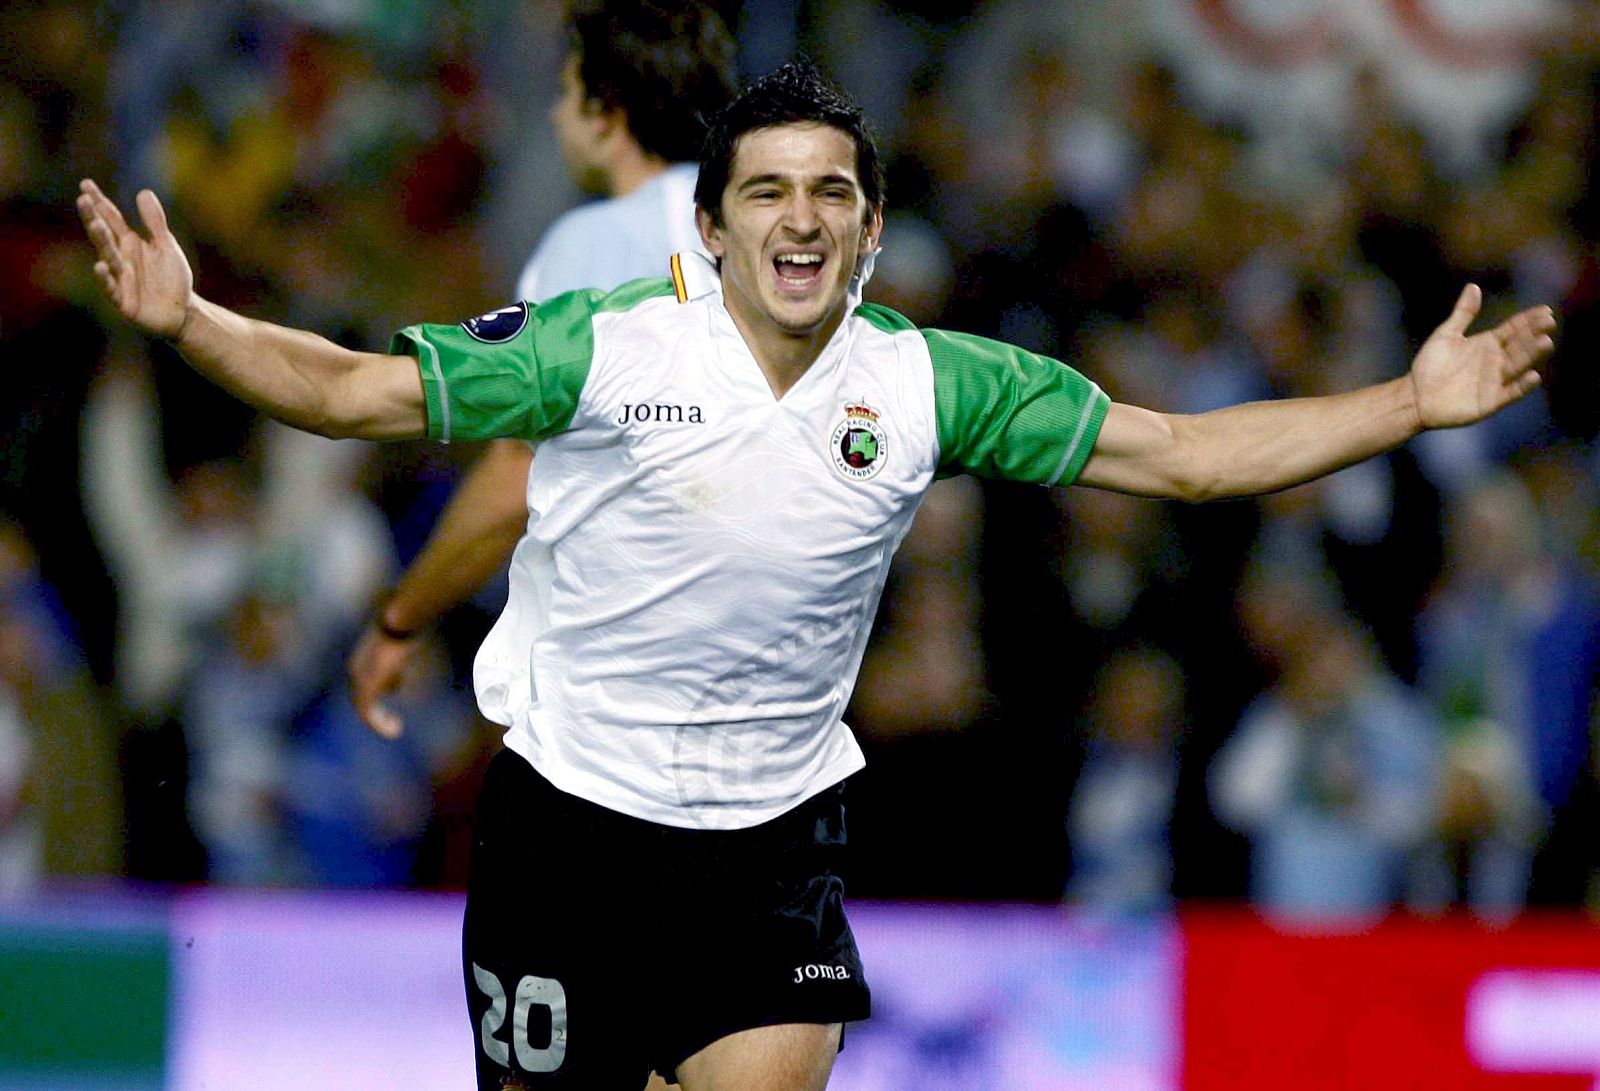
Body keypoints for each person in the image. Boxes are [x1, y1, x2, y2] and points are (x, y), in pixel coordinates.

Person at [78, 57, 1555, 1091]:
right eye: (768, 191)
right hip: (567, 831)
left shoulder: (929, 383)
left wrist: (1409, 406)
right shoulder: (603, 343)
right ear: (710, 229)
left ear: (869, 229)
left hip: (769, 845)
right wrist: (192, 319)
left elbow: (1180, 452)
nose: (800, 215)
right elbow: (353, 392)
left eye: (831, 191)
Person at [347, 0, 740, 739]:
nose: (556, 117)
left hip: (636, 687)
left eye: (566, 95)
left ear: (606, 113)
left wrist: (400, 620)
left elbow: (515, 476)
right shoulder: (773, 237)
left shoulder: (591, 244)